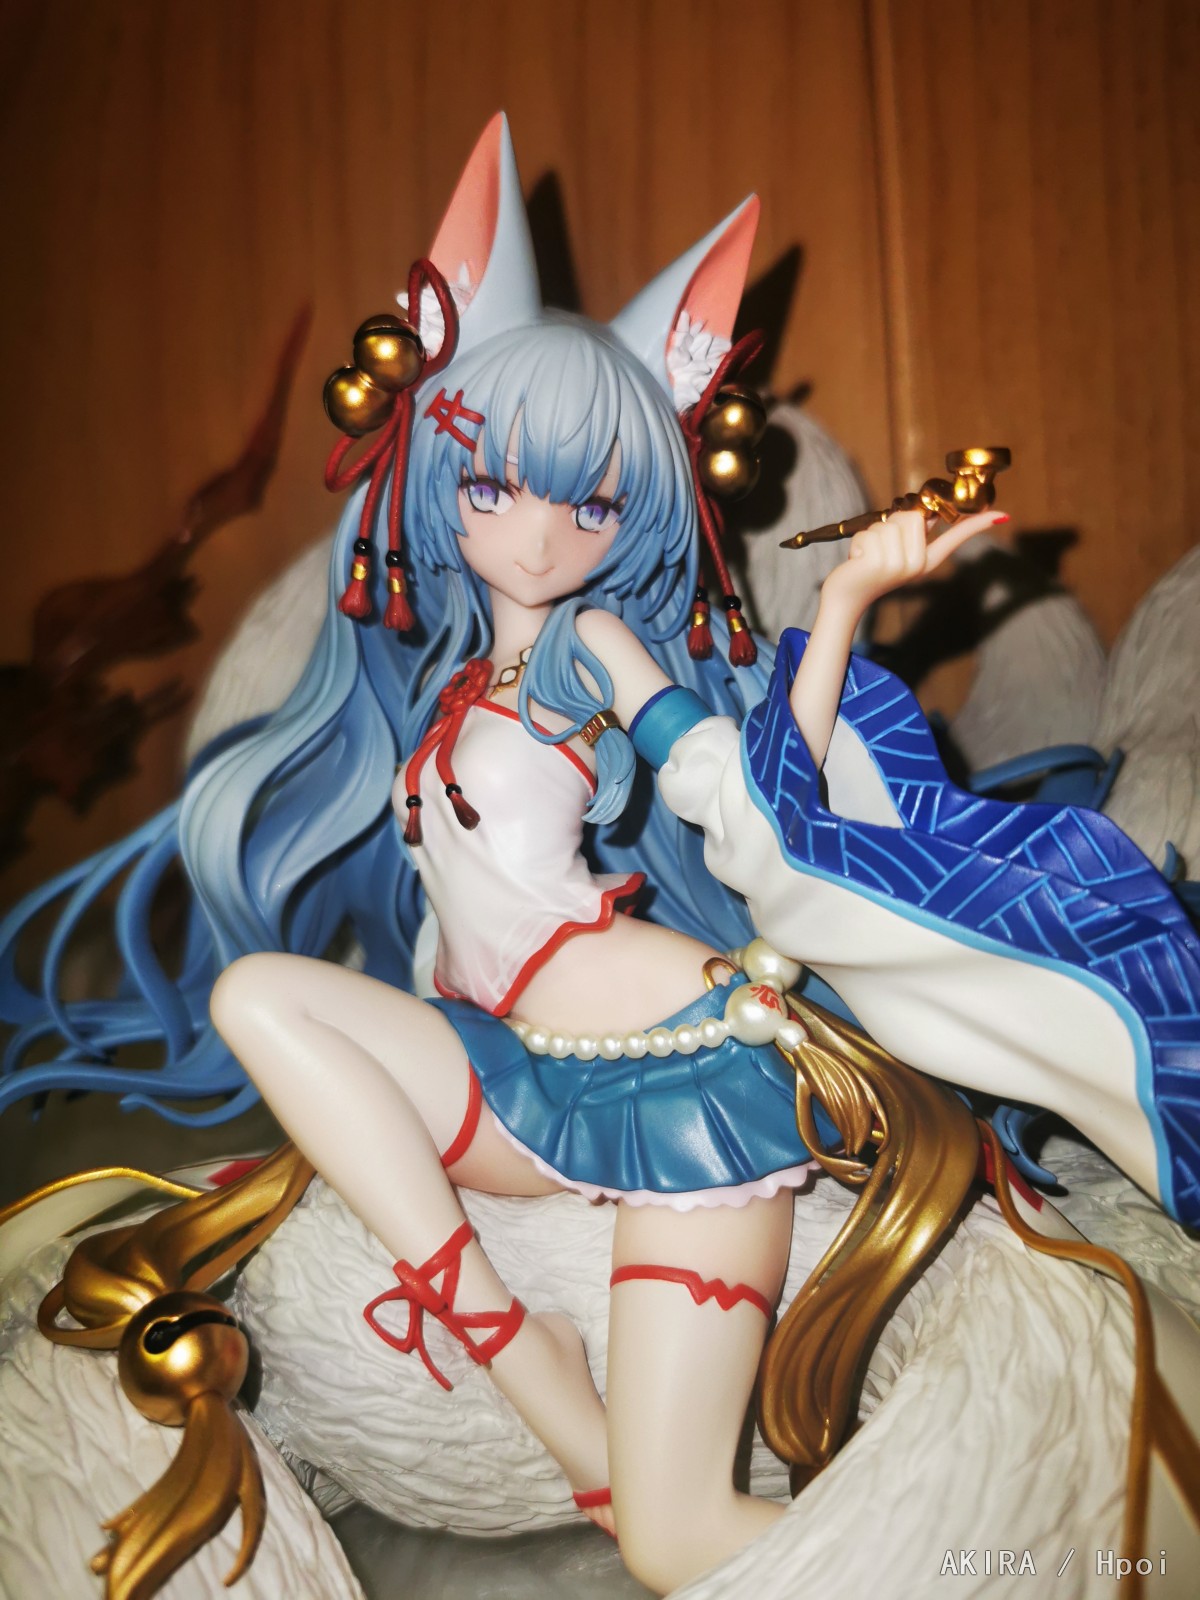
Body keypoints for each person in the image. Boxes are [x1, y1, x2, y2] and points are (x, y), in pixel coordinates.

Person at [5, 114, 1198, 1596]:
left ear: (637, 512)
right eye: (492, 485)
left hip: (692, 1086)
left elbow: (729, 779)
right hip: (509, 1063)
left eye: (588, 500)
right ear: (436, 477)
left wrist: (840, 608)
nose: (534, 534)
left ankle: (1004, 1575)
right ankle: (523, 1355)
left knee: (672, 1533)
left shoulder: (589, 645)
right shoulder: (454, 681)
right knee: (260, 996)